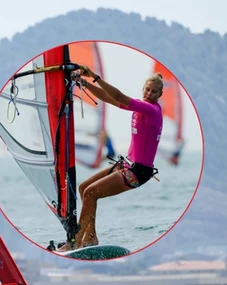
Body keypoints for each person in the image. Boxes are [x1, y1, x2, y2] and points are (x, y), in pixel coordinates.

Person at [58, 66, 164, 252]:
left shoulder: (151, 111)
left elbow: (119, 96)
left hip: (137, 172)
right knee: (84, 188)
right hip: (126, 165)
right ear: (143, 89)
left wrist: (94, 77)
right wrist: (84, 84)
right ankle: (90, 237)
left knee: (91, 193)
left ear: (159, 95)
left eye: (154, 91)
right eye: (147, 89)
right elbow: (110, 99)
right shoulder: (140, 107)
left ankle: (74, 241)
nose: (149, 93)